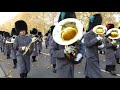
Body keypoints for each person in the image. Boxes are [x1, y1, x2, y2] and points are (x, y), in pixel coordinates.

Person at [50, 12, 83, 78]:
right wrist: (64, 52)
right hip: (61, 68)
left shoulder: (74, 34)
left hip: (71, 66)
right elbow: (52, 52)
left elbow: (79, 46)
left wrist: (79, 54)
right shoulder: (57, 37)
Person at [84, 14, 103, 78]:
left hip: (95, 55)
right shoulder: (88, 34)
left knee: (89, 73)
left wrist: (100, 44)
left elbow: (96, 45)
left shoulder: (97, 33)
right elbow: (87, 44)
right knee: (97, 74)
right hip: (90, 56)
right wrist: (96, 39)